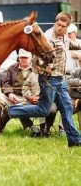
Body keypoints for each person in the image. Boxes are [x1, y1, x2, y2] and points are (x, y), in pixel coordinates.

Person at [6, 12, 81, 147]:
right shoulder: (47, 38)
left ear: (67, 27)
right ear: (55, 22)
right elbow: (36, 60)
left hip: (60, 80)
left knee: (67, 108)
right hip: (49, 80)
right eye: (58, 24)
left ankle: (75, 140)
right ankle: (10, 111)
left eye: (63, 26)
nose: (59, 28)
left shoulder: (64, 36)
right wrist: (47, 68)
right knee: (43, 110)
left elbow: (69, 44)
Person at [0, 49, 41, 137]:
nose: (23, 59)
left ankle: (33, 128)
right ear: (18, 58)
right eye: (21, 57)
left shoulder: (36, 69)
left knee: (18, 108)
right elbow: (5, 82)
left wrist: (33, 97)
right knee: (0, 103)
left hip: (30, 97)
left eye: (25, 58)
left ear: (30, 58)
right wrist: (9, 93)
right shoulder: (12, 68)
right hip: (14, 96)